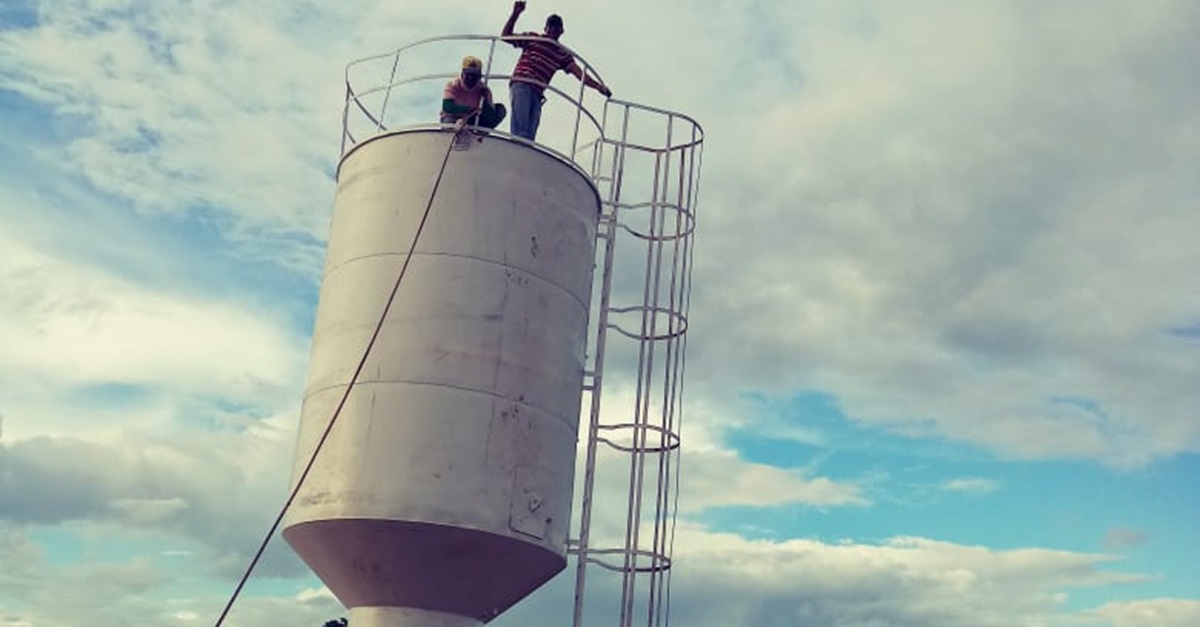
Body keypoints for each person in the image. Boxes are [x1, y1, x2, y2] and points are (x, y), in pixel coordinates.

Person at [501, 1, 612, 141]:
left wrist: (598, 87)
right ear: (545, 27)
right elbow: (505, 36)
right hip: (522, 82)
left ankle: (522, 158)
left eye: (556, 26)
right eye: (550, 25)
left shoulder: (562, 54)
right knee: (520, 131)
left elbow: (579, 74)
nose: (553, 29)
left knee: (529, 136)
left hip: (538, 92)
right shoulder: (533, 38)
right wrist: (515, 14)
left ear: (561, 31)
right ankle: (515, 155)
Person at [441, 56, 507, 129]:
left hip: (472, 119)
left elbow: (490, 117)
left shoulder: (484, 90)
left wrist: (485, 101)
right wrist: (469, 109)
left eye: (474, 75)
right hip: (452, 117)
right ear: (462, 74)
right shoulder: (453, 85)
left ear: (479, 76)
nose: (471, 78)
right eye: (468, 74)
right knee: (448, 121)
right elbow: (447, 107)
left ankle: (480, 133)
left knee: (500, 110)